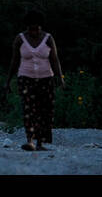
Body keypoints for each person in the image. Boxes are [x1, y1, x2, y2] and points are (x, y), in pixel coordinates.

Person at [6, 10, 64, 151]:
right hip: (26, 79)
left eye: (36, 28)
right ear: (26, 27)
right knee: (29, 110)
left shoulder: (48, 38)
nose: (34, 32)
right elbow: (14, 61)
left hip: (46, 79)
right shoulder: (20, 39)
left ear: (41, 26)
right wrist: (7, 81)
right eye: (30, 29)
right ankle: (30, 141)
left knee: (45, 111)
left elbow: (54, 59)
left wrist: (60, 78)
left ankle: (40, 143)